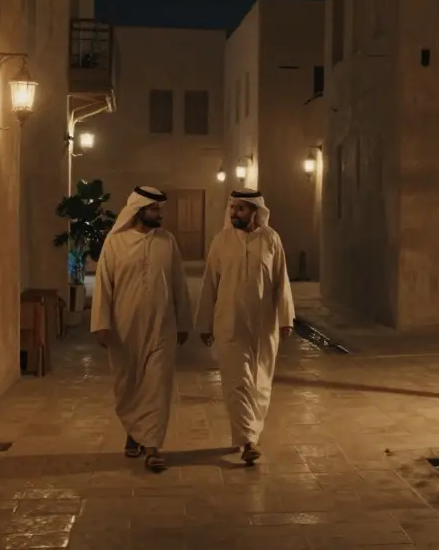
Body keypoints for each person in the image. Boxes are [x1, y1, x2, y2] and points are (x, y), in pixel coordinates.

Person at [90, 186, 191, 472]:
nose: (160, 214)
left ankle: (152, 446)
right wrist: (101, 324)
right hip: (125, 327)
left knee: (157, 385)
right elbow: (103, 286)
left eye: (160, 209)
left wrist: (183, 322)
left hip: (162, 326)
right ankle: (134, 431)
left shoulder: (167, 241)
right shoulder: (116, 243)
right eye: (155, 209)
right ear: (139, 210)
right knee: (128, 384)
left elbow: (179, 284)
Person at [196, 189, 295, 464]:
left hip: (264, 325)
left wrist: (286, 318)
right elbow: (209, 284)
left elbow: (281, 281)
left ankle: (250, 431)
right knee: (237, 381)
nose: (234, 213)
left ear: (255, 211)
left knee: (260, 383)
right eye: (232, 208)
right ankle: (248, 440)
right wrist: (204, 323)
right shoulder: (221, 242)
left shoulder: (271, 239)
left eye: (240, 208)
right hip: (229, 323)